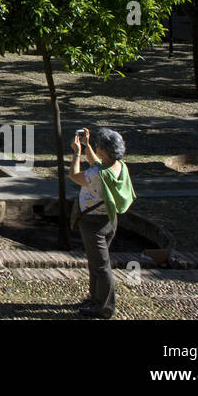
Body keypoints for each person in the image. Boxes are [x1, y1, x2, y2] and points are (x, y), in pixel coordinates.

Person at [69, 127, 135, 319]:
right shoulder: (119, 166)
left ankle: (105, 307)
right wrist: (87, 145)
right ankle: (95, 298)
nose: (96, 147)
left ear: (105, 150)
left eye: (98, 145)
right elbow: (97, 163)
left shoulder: (97, 174)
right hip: (109, 220)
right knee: (95, 262)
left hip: (93, 224)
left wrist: (76, 153)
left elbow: (75, 175)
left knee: (101, 266)